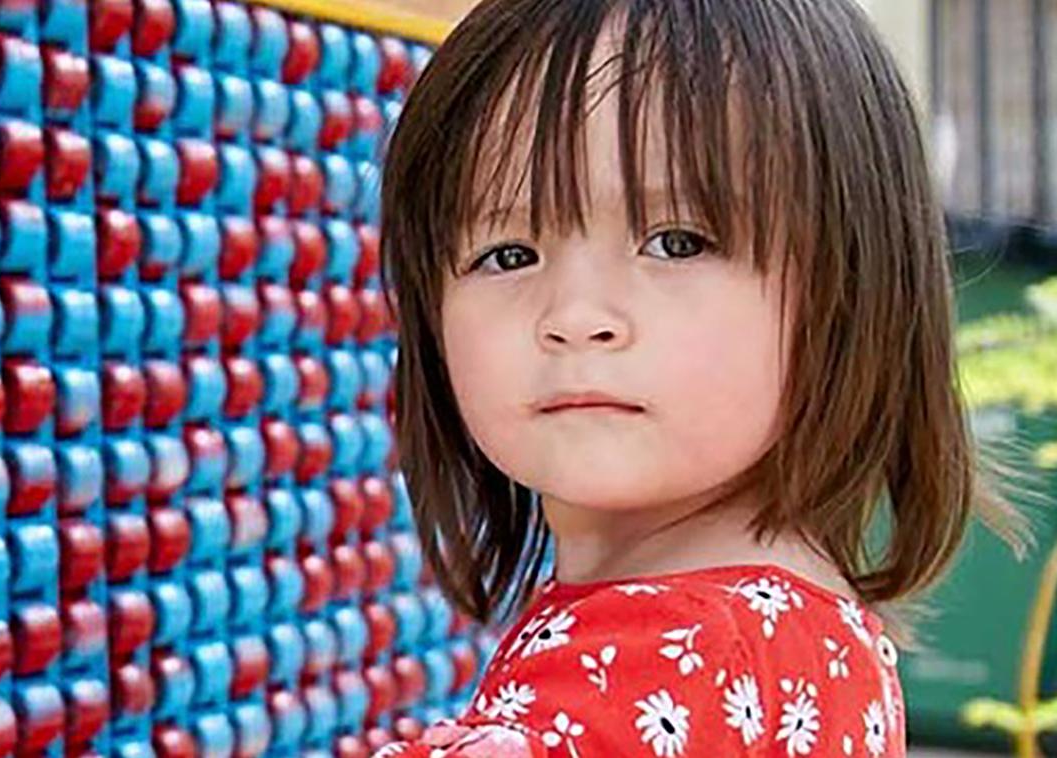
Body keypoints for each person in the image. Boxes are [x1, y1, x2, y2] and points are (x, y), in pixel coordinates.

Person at [372, 0, 1012, 755]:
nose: (575, 316)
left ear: (849, 291)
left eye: (676, 241)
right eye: (507, 254)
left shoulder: (664, 657)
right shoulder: (809, 628)